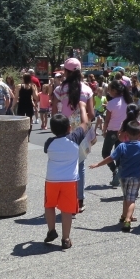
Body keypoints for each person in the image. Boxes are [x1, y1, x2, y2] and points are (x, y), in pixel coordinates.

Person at [90, 120, 140, 232]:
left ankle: (124, 215)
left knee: (126, 197)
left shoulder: (122, 146)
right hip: (135, 177)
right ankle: (128, 219)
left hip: (123, 176)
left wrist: (98, 164)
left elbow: (111, 158)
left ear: (126, 134)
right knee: (132, 200)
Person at [53, 58, 95, 212]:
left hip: (64, 131)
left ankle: (66, 199)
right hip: (82, 132)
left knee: (65, 165)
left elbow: (54, 112)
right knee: (80, 166)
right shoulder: (87, 90)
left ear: (66, 71)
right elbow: (91, 114)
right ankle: (80, 200)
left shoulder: (59, 90)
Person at [42, 113, 89, 250]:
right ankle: (66, 239)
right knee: (67, 210)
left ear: (52, 129)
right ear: (69, 127)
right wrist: (82, 107)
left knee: (49, 205)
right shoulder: (74, 138)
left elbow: (46, 150)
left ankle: (51, 230)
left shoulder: (49, 142)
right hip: (69, 181)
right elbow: (85, 124)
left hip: (52, 180)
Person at [102, 81, 128, 186]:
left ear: (114, 90)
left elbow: (107, 119)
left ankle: (114, 170)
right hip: (123, 130)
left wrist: (104, 130)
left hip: (112, 130)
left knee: (105, 153)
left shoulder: (111, 103)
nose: (108, 92)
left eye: (109, 90)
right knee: (119, 154)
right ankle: (117, 174)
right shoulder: (127, 101)